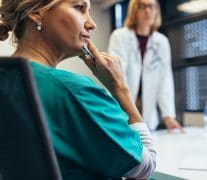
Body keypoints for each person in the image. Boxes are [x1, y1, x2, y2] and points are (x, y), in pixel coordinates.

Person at [0, 0, 156, 179]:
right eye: (79, 8)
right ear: (36, 12)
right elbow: (146, 167)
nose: (92, 24)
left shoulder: (6, 78)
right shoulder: (74, 91)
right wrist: (119, 87)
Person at [108, 0, 184, 133]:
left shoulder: (161, 42)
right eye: (142, 6)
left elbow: (165, 79)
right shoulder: (119, 37)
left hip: (148, 115)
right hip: (123, 109)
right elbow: (116, 75)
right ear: (134, 10)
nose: (147, 11)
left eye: (151, 6)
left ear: (156, 11)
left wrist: (168, 115)